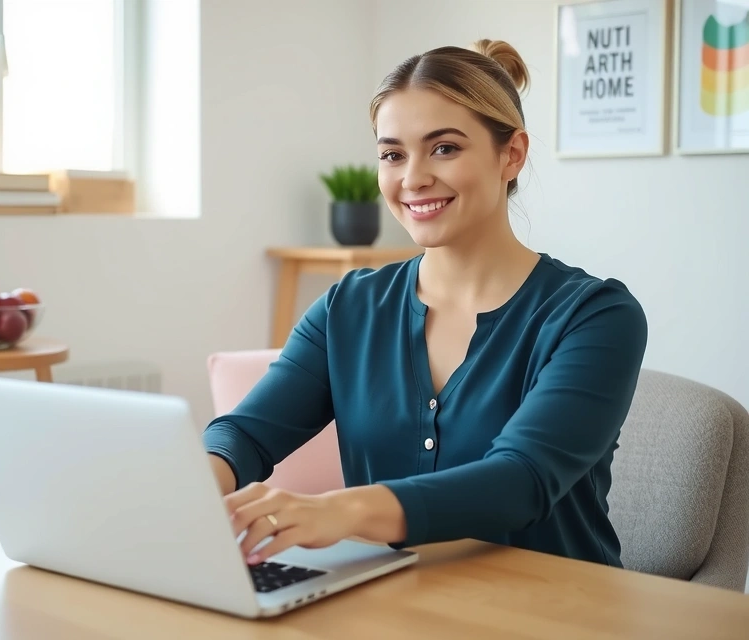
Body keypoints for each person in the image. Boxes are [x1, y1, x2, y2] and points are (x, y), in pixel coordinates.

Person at [202, 39, 648, 568]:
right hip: (389, 606)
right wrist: (195, 482)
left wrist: (339, 511)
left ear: (512, 154)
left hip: (556, 613)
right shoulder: (348, 309)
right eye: (392, 154)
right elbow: (246, 433)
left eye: (444, 148)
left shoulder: (595, 317)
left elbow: (520, 480)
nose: (412, 178)